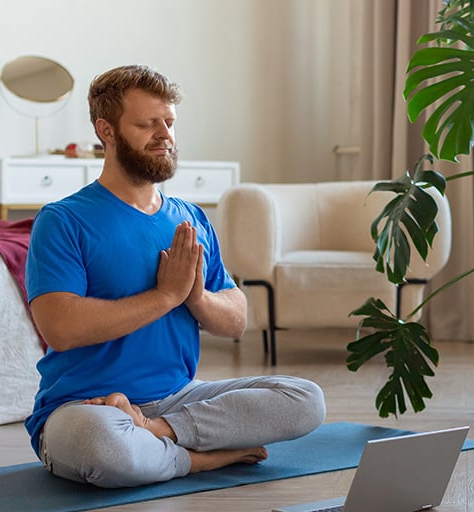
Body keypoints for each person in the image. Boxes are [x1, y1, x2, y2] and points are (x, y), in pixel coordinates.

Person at [23, 65, 326, 488]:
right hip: (84, 407)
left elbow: (236, 321)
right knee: (103, 448)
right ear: (106, 131)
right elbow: (61, 329)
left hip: (178, 400)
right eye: (147, 124)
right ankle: (200, 459)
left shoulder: (190, 218)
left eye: (169, 122)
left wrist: (195, 296)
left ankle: (159, 434)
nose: (164, 134)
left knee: (305, 400)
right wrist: (166, 295)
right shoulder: (63, 220)